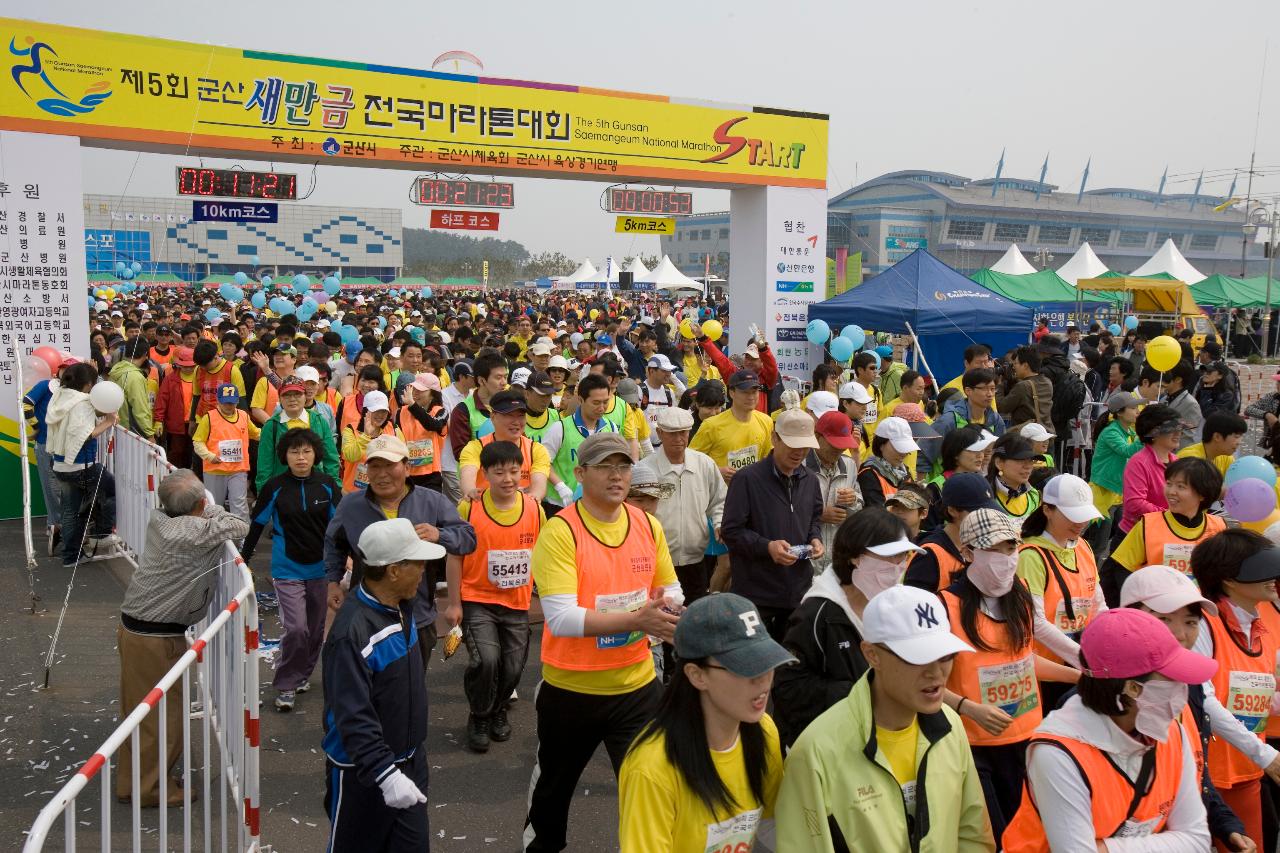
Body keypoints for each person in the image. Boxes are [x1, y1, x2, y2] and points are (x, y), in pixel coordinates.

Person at [524, 432, 681, 852]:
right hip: (571, 689)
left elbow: (671, 587)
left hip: (636, 687)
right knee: (552, 798)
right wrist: (637, 618)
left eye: (624, 465)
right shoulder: (561, 532)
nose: (617, 475)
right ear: (580, 473)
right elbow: (561, 618)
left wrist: (669, 606)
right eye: (605, 466)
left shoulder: (647, 523)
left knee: (652, 793)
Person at [775, 585, 994, 851]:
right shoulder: (816, 751)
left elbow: (972, 834)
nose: (936, 672)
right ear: (871, 655)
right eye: (918, 657)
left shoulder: (950, 726)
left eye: (945, 654)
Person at [1001, 608, 1216, 851]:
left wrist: (1106, 848)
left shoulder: (1171, 732)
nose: (1183, 687)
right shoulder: (1057, 753)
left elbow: (1197, 840)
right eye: (1171, 679)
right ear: (1133, 689)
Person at [617, 593, 793, 852]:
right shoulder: (652, 767)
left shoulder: (763, 731)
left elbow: (772, 825)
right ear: (697, 675)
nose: (763, 680)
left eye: (766, 661)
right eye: (744, 666)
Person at [942, 508, 1079, 841]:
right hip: (976, 745)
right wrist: (968, 708)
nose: (1005, 558)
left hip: (1028, 739)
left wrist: (1080, 677)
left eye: (1010, 548)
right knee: (995, 836)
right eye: (995, 549)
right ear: (968, 552)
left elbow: (1023, 660)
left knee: (1030, 834)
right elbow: (927, 683)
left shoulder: (1020, 595)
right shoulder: (946, 605)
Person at [116, 470, 249, 806]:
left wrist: (206, 508)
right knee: (163, 718)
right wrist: (213, 510)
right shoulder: (191, 530)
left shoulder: (160, 518)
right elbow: (239, 524)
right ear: (202, 503)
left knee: (139, 713)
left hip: (138, 628)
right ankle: (151, 790)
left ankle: (135, 782)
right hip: (155, 636)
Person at [322, 518, 443, 853]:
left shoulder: (404, 607)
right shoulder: (351, 633)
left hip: (410, 760)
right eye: (417, 562)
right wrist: (384, 774)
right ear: (393, 571)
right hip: (364, 773)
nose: (424, 570)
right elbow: (352, 715)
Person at [1121, 565, 1255, 853]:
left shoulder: (1190, 687)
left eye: (1191, 622)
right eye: (1164, 619)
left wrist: (1227, 825)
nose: (1179, 634)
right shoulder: (1103, 700)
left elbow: (1194, 772)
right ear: (1127, 618)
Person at [325, 434, 477, 672]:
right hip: (366, 615)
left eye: (389, 465)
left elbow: (468, 539)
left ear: (407, 468)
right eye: (375, 466)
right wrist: (333, 582)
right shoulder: (351, 505)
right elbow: (334, 543)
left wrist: (439, 535)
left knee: (409, 687)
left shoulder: (432, 501)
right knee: (366, 685)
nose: (381, 473)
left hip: (417, 616)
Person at [773, 508, 923, 748]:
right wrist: (864, 692)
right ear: (855, 556)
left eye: (903, 556)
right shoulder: (817, 614)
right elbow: (788, 688)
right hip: (830, 745)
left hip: (884, 739)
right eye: (888, 557)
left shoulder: (895, 604)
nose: (897, 567)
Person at [443, 440, 544, 753]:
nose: (508, 479)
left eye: (514, 471)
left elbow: (547, 554)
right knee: (486, 660)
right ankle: (480, 715)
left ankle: (498, 708)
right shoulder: (469, 507)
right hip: (478, 600)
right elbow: (455, 556)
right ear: (485, 474)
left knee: (514, 667)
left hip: (516, 602)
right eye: (499, 472)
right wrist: (455, 603)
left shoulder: (533, 509)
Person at [242, 428, 342, 712]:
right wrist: (243, 560)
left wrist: (348, 559)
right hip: (286, 568)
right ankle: (286, 684)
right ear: (285, 455)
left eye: (307, 451)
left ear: (315, 455)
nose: (301, 457)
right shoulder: (274, 487)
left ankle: (302, 674)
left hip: (321, 569)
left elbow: (341, 527)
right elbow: (257, 525)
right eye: (295, 452)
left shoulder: (326, 485)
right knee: (296, 628)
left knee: (315, 630)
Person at [1191, 530, 1280, 846]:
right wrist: (1265, 754)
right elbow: (1203, 699)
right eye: (1263, 570)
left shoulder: (1262, 625)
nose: (1274, 578)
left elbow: (1260, 695)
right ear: (1228, 580)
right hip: (1202, 773)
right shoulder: (1201, 624)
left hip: (1246, 770)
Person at [721, 409, 824, 642]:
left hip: (797, 591)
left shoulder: (810, 480)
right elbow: (731, 531)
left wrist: (815, 539)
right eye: (792, 444)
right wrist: (767, 547)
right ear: (775, 438)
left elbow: (813, 519)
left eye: (804, 446)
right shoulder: (747, 479)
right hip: (757, 594)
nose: (798, 452)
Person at [1016, 474, 1105, 701]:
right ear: (1048, 510)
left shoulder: (1083, 547)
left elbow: (1098, 605)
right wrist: (1083, 659)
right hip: (1046, 673)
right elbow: (1035, 622)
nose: (1080, 523)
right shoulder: (1031, 556)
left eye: (1084, 516)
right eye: (1072, 516)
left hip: (1081, 664)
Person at [637, 406, 727, 605]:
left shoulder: (704, 464)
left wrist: (720, 522)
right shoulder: (644, 470)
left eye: (683, 432)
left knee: (694, 614)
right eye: (672, 433)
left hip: (697, 559)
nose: (679, 438)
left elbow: (719, 500)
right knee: (662, 618)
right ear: (659, 433)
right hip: (657, 561)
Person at [1104, 457, 1225, 594]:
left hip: (1201, 611)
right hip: (1156, 611)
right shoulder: (1148, 525)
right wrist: (1139, 605)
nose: (1171, 491)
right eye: (1169, 483)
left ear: (1202, 494)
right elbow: (1121, 568)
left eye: (1181, 486)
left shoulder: (1218, 528)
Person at [46, 362, 118, 568]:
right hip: (81, 465)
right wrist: (108, 422)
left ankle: (70, 557)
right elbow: (84, 435)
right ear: (88, 384)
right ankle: (101, 534)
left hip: (60, 464)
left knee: (70, 511)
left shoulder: (60, 396)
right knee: (111, 491)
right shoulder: (82, 402)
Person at [541, 373, 620, 512]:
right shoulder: (560, 428)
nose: (602, 408)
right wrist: (560, 486)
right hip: (560, 505)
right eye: (596, 402)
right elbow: (542, 462)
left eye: (605, 402)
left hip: (597, 505)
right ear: (581, 400)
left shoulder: (611, 429)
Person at [690, 369, 776, 484]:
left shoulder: (766, 421)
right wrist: (717, 471)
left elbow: (767, 460)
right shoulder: (711, 425)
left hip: (752, 492)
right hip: (721, 496)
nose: (751, 397)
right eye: (745, 392)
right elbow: (690, 461)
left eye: (754, 391)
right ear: (732, 393)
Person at [1086, 390, 1143, 559]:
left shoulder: (1129, 432)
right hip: (1103, 495)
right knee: (1099, 545)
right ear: (1119, 413)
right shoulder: (1111, 432)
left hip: (1118, 493)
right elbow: (1127, 451)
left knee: (1119, 537)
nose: (1137, 411)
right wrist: (1145, 434)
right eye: (1133, 408)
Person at [1117, 404, 1184, 545]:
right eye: (1172, 430)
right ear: (1153, 434)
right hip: (1136, 537)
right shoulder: (1139, 462)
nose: (1178, 434)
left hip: (1165, 534)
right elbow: (1134, 504)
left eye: (1179, 429)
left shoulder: (1177, 461)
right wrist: (1170, 514)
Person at [256, 378, 340, 491]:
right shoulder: (271, 426)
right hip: (283, 489)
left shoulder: (319, 421)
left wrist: (334, 488)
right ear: (280, 399)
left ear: (305, 396)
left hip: (316, 487)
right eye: (286, 395)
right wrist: (264, 493)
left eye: (297, 394)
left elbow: (330, 457)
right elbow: (264, 464)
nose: (292, 399)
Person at [24, 352, 70, 556]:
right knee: (51, 487)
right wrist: (35, 428)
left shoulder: (75, 393)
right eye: (63, 368)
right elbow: (27, 404)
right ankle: (56, 524)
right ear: (58, 370)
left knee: (65, 487)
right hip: (44, 444)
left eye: (71, 370)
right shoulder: (45, 386)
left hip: (67, 447)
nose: (66, 373)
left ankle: (58, 525)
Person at [192, 383, 258, 521]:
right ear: (218, 401)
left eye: (232, 403)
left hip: (238, 469)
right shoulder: (209, 418)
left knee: (239, 505)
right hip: (215, 469)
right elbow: (198, 441)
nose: (229, 406)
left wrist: (272, 432)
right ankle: (215, 538)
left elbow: (255, 433)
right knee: (214, 506)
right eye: (226, 403)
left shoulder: (243, 416)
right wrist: (209, 456)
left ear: (237, 401)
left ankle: (241, 538)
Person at [807, 411, 862, 571]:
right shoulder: (800, 466)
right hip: (808, 559)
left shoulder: (849, 465)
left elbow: (858, 510)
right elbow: (785, 511)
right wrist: (819, 515)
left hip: (835, 560)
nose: (839, 450)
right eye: (833, 444)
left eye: (843, 444)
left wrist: (853, 500)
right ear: (817, 436)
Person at [395, 372, 448, 491]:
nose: (415, 393)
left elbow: (433, 425)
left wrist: (413, 405)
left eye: (420, 390)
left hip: (431, 476)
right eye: (413, 389)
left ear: (433, 394)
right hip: (407, 473)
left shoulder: (440, 412)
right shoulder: (401, 412)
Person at [341, 389, 399, 493]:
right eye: (375, 411)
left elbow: (401, 458)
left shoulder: (394, 429)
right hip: (354, 493)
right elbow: (350, 456)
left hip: (384, 493)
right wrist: (366, 436)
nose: (380, 415)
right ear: (365, 411)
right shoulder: (350, 429)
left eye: (383, 411)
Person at [857, 415, 920, 509]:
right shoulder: (869, 474)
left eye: (906, 448)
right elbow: (877, 514)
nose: (904, 453)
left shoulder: (904, 472)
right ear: (881, 445)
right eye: (898, 447)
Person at [152, 346, 197, 469]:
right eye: (185, 365)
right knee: (176, 453)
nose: (188, 368)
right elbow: (162, 400)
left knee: (192, 454)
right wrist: (158, 420)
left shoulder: (200, 378)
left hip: (196, 423)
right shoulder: (170, 379)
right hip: (176, 424)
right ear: (179, 364)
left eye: (191, 366)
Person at [935, 367, 1007, 441]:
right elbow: (931, 450)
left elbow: (1001, 449)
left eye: (992, 389)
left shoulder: (996, 419)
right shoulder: (949, 421)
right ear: (968, 391)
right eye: (984, 389)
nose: (990, 394)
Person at [109, 335, 157, 441]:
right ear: (145, 354)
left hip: (117, 429)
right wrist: (149, 434)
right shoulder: (135, 376)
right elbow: (140, 409)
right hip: (132, 433)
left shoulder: (116, 370)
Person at [996, 346, 1054, 434]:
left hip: (1028, 438)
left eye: (1015, 363)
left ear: (1025, 365)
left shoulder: (1023, 386)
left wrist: (999, 385)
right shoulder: (1047, 382)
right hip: (1045, 433)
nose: (1013, 367)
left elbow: (1002, 407)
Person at [1178, 410, 1247, 480]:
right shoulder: (1189, 460)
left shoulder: (1226, 457)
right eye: (1236, 436)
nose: (1239, 442)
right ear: (1217, 437)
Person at [987, 434, 1040, 523]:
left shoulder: (1033, 496)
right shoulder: (985, 495)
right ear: (999, 463)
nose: (1028, 466)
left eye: (1031, 460)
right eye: (1020, 460)